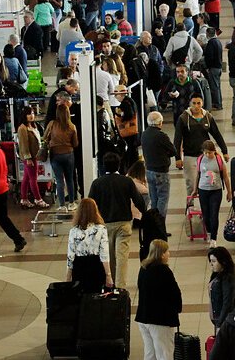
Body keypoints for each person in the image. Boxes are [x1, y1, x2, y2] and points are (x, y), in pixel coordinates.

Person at [88, 152, 147, 289]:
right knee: (122, 257)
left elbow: (90, 204)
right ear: (119, 165)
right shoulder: (126, 181)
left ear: (103, 166)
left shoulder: (97, 183)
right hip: (124, 224)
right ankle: (120, 287)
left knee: (108, 256)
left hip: (104, 225)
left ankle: (110, 282)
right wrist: (144, 214)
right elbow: (138, 201)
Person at [174, 95, 229, 202]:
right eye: (194, 103)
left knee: (207, 181)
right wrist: (178, 158)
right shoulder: (183, 118)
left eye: (198, 103)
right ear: (190, 104)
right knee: (191, 182)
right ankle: (190, 204)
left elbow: (217, 134)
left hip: (206, 155)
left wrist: (224, 151)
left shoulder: (207, 117)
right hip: (190, 155)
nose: (196, 106)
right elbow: (177, 139)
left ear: (202, 103)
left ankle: (206, 205)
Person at [134, 239, 182, 360]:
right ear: (161, 254)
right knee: (164, 353)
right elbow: (174, 293)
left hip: (143, 317)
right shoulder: (164, 271)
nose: (169, 254)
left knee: (150, 354)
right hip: (160, 319)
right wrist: (177, 309)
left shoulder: (143, 268)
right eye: (167, 251)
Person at [65, 198, 112, 292]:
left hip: (79, 266)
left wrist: (68, 277)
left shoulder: (73, 231)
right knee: (95, 297)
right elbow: (104, 255)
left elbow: (70, 256)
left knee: (80, 298)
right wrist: (108, 275)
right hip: (96, 265)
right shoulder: (101, 229)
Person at [191, 141, 232, 248]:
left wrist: (229, 191)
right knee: (206, 215)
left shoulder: (219, 160)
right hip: (203, 190)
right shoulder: (200, 159)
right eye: (205, 153)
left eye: (209, 152)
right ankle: (209, 231)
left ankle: (214, 238)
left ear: (214, 151)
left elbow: (226, 177)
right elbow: (197, 175)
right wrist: (195, 189)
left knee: (214, 214)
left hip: (216, 190)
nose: (207, 155)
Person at [141, 111, 176, 219]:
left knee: (154, 199)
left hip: (149, 170)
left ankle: (154, 226)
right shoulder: (161, 136)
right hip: (161, 172)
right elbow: (173, 151)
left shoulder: (144, 134)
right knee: (163, 199)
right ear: (160, 122)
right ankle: (160, 225)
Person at [17, 107, 48, 208]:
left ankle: (24, 199)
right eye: (29, 114)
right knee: (33, 179)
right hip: (30, 157)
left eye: (33, 113)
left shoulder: (33, 126)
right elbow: (23, 144)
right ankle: (38, 199)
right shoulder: (22, 128)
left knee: (26, 178)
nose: (31, 116)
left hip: (34, 155)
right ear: (24, 115)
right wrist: (28, 158)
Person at [208, 247, 235, 332]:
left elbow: (228, 302)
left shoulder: (228, 278)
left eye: (214, 261)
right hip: (219, 319)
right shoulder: (217, 275)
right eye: (210, 261)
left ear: (223, 261)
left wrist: (220, 323)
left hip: (225, 321)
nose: (211, 264)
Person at [204, 27, 224, 110]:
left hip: (213, 67)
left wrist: (207, 67)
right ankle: (219, 102)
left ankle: (217, 104)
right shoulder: (218, 42)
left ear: (208, 34)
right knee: (217, 86)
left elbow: (209, 57)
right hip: (218, 67)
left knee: (214, 87)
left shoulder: (211, 43)